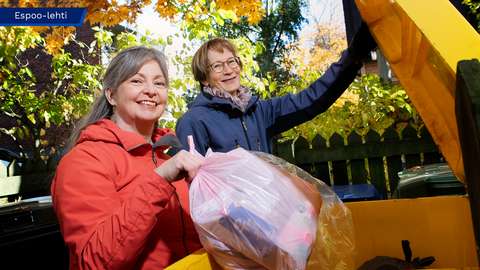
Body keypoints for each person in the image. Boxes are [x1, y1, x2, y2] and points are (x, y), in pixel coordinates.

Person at [51, 46, 204, 270]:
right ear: (111, 95)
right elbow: (96, 261)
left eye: (159, 83)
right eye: (137, 81)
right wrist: (159, 180)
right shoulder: (84, 160)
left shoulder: (171, 151)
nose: (151, 90)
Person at [176, 23, 377, 155]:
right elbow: (192, 188)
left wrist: (352, 58)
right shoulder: (194, 121)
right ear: (204, 78)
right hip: (224, 219)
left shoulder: (259, 111)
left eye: (232, 62)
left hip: (266, 212)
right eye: (217, 66)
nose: (228, 70)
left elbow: (311, 100)